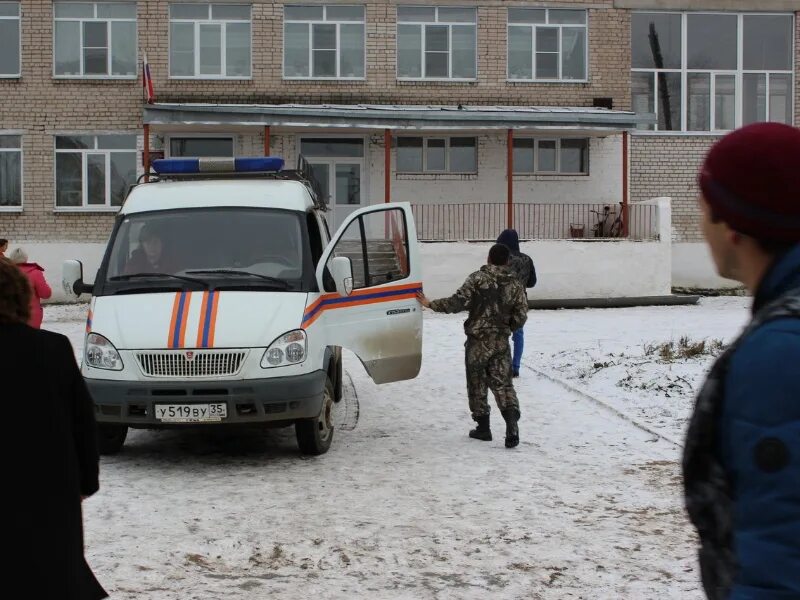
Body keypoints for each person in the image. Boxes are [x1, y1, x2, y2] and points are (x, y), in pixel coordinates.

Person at [683, 122, 800, 599]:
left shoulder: (783, 352)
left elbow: (778, 553)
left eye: (704, 206)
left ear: (732, 226)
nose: (699, 220)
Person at [0, 259, 108, 599]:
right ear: (19, 298)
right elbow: (83, 421)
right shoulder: (52, 349)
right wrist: (85, 482)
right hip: (48, 493)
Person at [417, 243, 528, 448]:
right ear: (507, 261)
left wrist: (430, 304)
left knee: (477, 383)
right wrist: (507, 328)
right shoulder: (516, 285)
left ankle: (483, 428)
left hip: (477, 342)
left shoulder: (477, 279)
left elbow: (456, 302)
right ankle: (511, 424)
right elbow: (521, 315)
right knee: (503, 384)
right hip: (500, 341)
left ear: (488, 258)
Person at [496, 228, 536, 377]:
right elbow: (532, 282)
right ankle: (516, 367)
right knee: (518, 334)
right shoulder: (527, 259)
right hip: (520, 302)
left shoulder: (500, 259)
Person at [9, 247, 52, 329]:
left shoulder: (5, 273)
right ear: (26, 259)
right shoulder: (35, 273)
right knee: (31, 340)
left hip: (9, 316)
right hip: (31, 317)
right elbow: (46, 294)